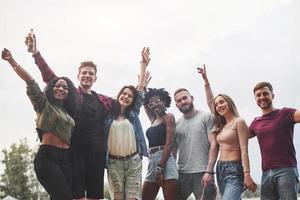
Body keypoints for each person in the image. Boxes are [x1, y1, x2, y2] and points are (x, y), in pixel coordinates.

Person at [25, 34, 112, 200]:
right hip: (73, 154)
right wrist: (36, 53)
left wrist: (140, 86)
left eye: (91, 74)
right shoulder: (71, 96)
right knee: (68, 195)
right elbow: (50, 77)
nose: (87, 75)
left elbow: (125, 103)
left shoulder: (103, 101)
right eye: (84, 73)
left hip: (95, 155)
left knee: (94, 197)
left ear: (95, 78)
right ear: (78, 76)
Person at [1, 48, 78, 200]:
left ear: (69, 93)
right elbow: (30, 81)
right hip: (48, 157)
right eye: (57, 85)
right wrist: (11, 61)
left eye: (65, 87)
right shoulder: (43, 104)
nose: (61, 88)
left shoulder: (68, 113)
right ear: (51, 88)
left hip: (66, 159)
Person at [198, 65, 256, 199]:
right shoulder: (222, 125)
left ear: (229, 103)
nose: (219, 106)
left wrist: (247, 174)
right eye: (217, 104)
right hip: (220, 169)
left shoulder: (239, 122)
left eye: (222, 102)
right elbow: (209, 102)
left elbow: (244, 149)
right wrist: (206, 82)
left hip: (234, 170)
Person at [103, 47, 149, 200]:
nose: (126, 96)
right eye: (124, 93)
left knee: (133, 198)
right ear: (119, 95)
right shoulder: (108, 115)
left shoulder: (133, 113)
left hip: (133, 161)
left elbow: (140, 90)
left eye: (130, 96)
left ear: (132, 101)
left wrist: (143, 64)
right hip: (114, 162)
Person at [249, 81, 300, 200]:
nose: (262, 97)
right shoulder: (256, 122)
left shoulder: (286, 113)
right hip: (266, 172)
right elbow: (238, 136)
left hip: (286, 170)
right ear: (255, 99)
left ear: (272, 95)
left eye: (265, 93)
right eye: (258, 95)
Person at [173, 86, 218, 200]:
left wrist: (209, 170)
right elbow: (174, 151)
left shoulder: (206, 117)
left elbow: (214, 144)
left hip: (203, 172)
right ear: (176, 105)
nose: (182, 102)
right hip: (182, 173)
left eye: (185, 98)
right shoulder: (177, 124)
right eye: (179, 101)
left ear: (192, 98)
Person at [142, 88, 178, 200]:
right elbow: (144, 103)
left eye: (157, 101)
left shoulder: (168, 117)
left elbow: (170, 143)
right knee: (146, 197)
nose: (154, 104)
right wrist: (144, 88)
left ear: (164, 102)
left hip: (165, 160)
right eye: (151, 103)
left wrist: (160, 167)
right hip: (152, 160)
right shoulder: (153, 119)